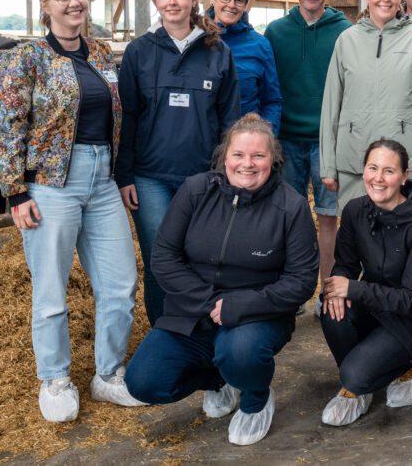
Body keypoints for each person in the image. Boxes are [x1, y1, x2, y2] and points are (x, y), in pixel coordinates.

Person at [0, 0, 142, 423]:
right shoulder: (27, 57)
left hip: (102, 180)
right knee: (52, 287)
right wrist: (16, 192)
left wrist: (119, 173)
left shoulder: (100, 52)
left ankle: (108, 374)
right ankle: (55, 377)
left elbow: (117, 118)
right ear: (45, 5)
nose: (75, 3)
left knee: (120, 284)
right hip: (52, 183)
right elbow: (7, 126)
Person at [124, 114, 319, 446]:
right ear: (224, 157)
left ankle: (256, 397)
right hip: (192, 312)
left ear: (273, 160)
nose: (248, 163)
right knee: (144, 381)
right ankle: (219, 380)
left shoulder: (292, 206)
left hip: (257, 316)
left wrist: (242, 305)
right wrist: (210, 303)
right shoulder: (196, 190)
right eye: (238, 155)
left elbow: (301, 281)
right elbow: (164, 257)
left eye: (259, 155)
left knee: (240, 352)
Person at [116, 0, 240, 326]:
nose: (173, 1)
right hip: (150, 177)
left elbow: (230, 120)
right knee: (160, 259)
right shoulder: (140, 52)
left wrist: (226, 175)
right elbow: (127, 118)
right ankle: (165, 331)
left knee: (203, 256)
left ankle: (201, 330)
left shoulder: (218, 52)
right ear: (154, 0)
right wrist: (124, 176)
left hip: (204, 176)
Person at [320, 139, 412, 426]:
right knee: (330, 308)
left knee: (355, 373)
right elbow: (346, 263)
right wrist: (339, 285)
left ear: (404, 176)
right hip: (375, 307)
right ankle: (359, 384)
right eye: (372, 168)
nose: (378, 178)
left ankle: (409, 363)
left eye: (388, 171)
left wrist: (352, 287)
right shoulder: (354, 210)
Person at [320, 0, 412, 216]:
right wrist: (328, 166)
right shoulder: (347, 40)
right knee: (357, 240)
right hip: (354, 163)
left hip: (404, 165)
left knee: (404, 242)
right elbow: (331, 105)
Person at [265, 0, 352, 303]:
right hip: (286, 138)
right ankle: (294, 292)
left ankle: (327, 291)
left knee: (329, 216)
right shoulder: (276, 32)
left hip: (326, 139)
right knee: (290, 217)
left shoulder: (343, 31)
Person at [207, 0, 282, 133]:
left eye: (239, 0)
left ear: (245, 4)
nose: (231, 5)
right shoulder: (195, 39)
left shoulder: (260, 45)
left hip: (244, 146)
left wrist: (266, 138)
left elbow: (271, 100)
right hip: (202, 144)